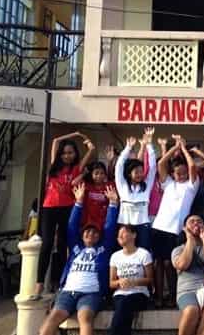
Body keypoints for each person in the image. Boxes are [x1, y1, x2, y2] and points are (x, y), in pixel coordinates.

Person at [38, 183, 118, 335]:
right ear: (82, 235)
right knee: (52, 318)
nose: (91, 234)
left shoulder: (103, 249)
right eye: (87, 232)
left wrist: (113, 204)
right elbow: (71, 226)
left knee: (85, 318)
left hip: (91, 293)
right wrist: (79, 202)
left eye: (95, 233)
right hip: (67, 292)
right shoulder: (75, 247)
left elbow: (109, 227)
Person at [36, 131, 95, 296]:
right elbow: (55, 140)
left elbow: (91, 151)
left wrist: (86, 142)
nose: (67, 156)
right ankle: (39, 284)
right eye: (65, 153)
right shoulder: (54, 166)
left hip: (67, 208)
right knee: (47, 243)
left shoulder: (77, 169)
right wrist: (75, 134)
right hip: (49, 207)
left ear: (75, 154)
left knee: (63, 245)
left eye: (70, 153)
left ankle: (61, 282)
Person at [150, 135, 199, 308]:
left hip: (176, 230)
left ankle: (172, 295)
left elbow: (193, 166)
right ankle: (158, 296)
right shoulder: (168, 183)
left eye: (184, 173)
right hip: (158, 228)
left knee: (170, 263)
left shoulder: (192, 186)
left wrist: (184, 149)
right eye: (178, 173)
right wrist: (174, 147)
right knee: (158, 264)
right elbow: (161, 164)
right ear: (172, 174)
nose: (182, 175)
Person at [172, 215, 204, 335]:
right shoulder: (178, 249)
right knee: (191, 310)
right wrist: (190, 240)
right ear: (185, 228)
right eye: (192, 222)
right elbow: (182, 265)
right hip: (187, 290)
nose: (196, 224)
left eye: (199, 222)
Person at [115, 129, 158, 249]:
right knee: (124, 253)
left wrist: (149, 144)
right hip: (124, 224)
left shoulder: (146, 186)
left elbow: (153, 167)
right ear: (129, 173)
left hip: (143, 226)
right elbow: (119, 166)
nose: (140, 174)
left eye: (141, 171)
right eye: (136, 172)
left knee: (144, 254)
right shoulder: (122, 186)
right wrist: (128, 148)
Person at [109, 224, 154, 335]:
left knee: (124, 306)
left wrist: (134, 281)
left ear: (134, 235)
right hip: (120, 294)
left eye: (123, 232)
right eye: (118, 234)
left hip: (139, 293)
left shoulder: (143, 254)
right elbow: (111, 283)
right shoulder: (115, 256)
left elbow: (150, 279)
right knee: (123, 306)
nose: (120, 236)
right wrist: (119, 282)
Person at [81, 161, 113, 229]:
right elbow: (74, 183)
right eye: (96, 173)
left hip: (105, 223)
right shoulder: (87, 186)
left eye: (102, 173)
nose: (99, 176)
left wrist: (110, 162)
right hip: (88, 223)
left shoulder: (109, 186)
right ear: (91, 175)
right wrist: (84, 173)